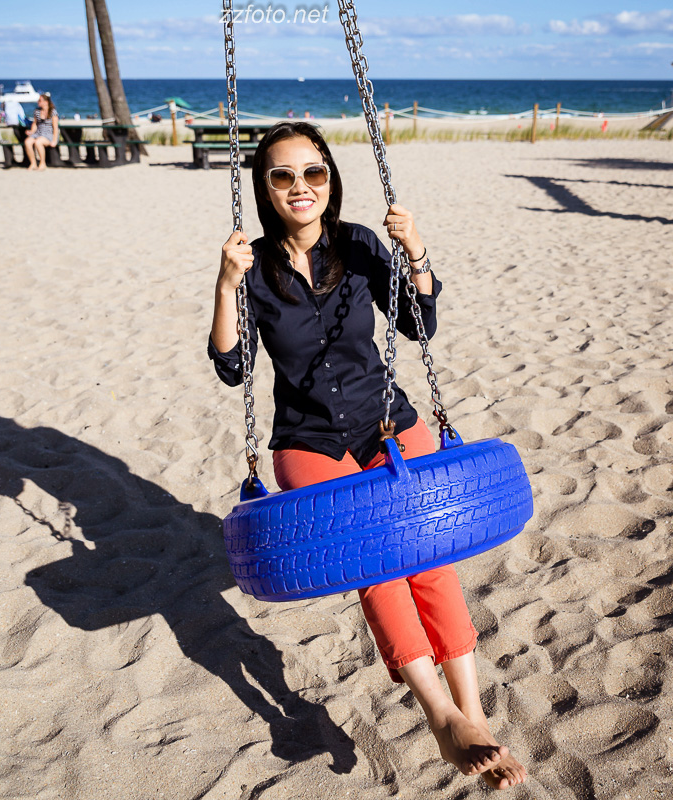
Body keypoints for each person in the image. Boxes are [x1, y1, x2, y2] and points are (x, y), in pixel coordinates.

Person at [208, 121, 527, 790]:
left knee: (430, 555)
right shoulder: (253, 265)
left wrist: (416, 253)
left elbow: (417, 325)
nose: (300, 186)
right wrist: (224, 284)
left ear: (330, 179)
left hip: (387, 420)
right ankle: (441, 717)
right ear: (264, 188)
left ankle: (472, 714)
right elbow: (234, 369)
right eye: (283, 175)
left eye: (313, 172)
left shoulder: (357, 244)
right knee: (377, 561)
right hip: (307, 439)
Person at [24, 92, 59, 171]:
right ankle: (33, 163)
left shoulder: (53, 112)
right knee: (27, 142)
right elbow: (35, 124)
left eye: (40, 100)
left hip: (48, 134)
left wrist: (54, 140)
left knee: (38, 142)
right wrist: (31, 132)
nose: (38, 102)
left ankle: (42, 163)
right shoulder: (37, 111)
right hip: (38, 133)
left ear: (46, 102)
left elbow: (55, 128)